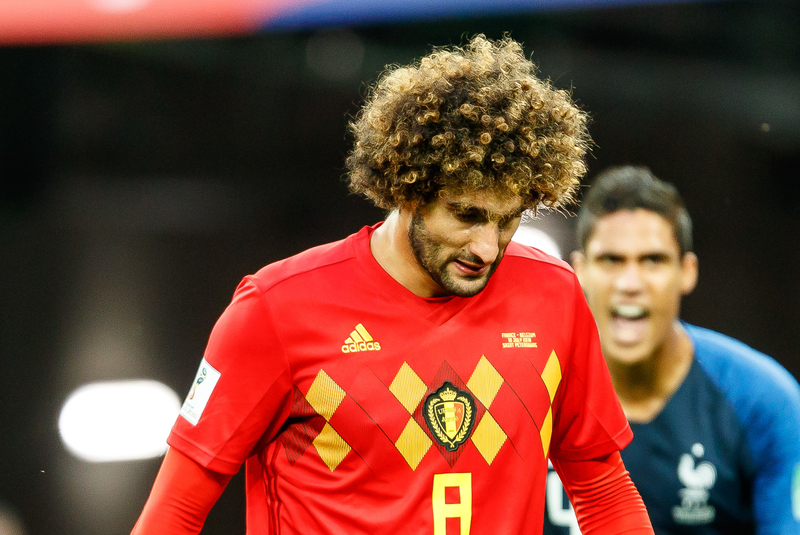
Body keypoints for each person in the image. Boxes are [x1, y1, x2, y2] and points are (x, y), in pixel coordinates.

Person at [131, 36, 654, 534]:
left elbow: (603, 489)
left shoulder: (554, 296)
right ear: (408, 188)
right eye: (466, 215)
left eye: (508, 219)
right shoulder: (276, 309)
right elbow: (176, 511)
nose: (488, 247)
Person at [542, 165, 800, 535]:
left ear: (688, 271)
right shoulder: (530, 389)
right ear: (578, 271)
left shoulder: (764, 400)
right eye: (611, 260)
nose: (630, 283)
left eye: (653, 260)